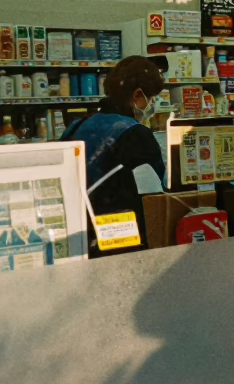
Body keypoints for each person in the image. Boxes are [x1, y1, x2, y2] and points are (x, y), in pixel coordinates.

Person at [62, 56, 166, 245]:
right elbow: (153, 194)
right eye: (150, 98)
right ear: (137, 96)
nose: (152, 104)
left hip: (76, 232)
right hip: (119, 234)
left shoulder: (76, 126)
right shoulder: (136, 134)